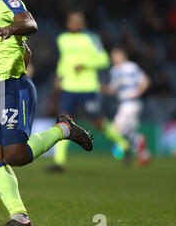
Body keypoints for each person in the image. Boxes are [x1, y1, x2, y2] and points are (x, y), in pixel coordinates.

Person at [0, 0, 94, 226]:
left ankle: (63, 129)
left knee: (16, 155)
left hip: (12, 86)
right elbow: (12, 52)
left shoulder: (8, 1)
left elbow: (29, 22)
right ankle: (20, 218)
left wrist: (12, 30)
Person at [47, 11, 131, 172]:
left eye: (78, 20)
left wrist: (84, 64)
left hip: (87, 88)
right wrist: (59, 75)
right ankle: (59, 162)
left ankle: (125, 146)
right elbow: (64, 60)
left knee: (98, 123)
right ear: (67, 22)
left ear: (82, 22)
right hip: (69, 88)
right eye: (72, 20)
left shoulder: (91, 38)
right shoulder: (62, 39)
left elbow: (104, 59)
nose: (75, 23)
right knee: (64, 123)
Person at [105, 46, 151, 166]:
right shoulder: (114, 70)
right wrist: (102, 88)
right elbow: (113, 89)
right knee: (128, 131)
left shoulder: (131, 67)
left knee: (116, 128)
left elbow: (145, 80)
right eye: (112, 55)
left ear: (123, 55)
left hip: (131, 104)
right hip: (124, 104)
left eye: (116, 55)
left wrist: (137, 93)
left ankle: (122, 154)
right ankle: (143, 153)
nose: (114, 58)